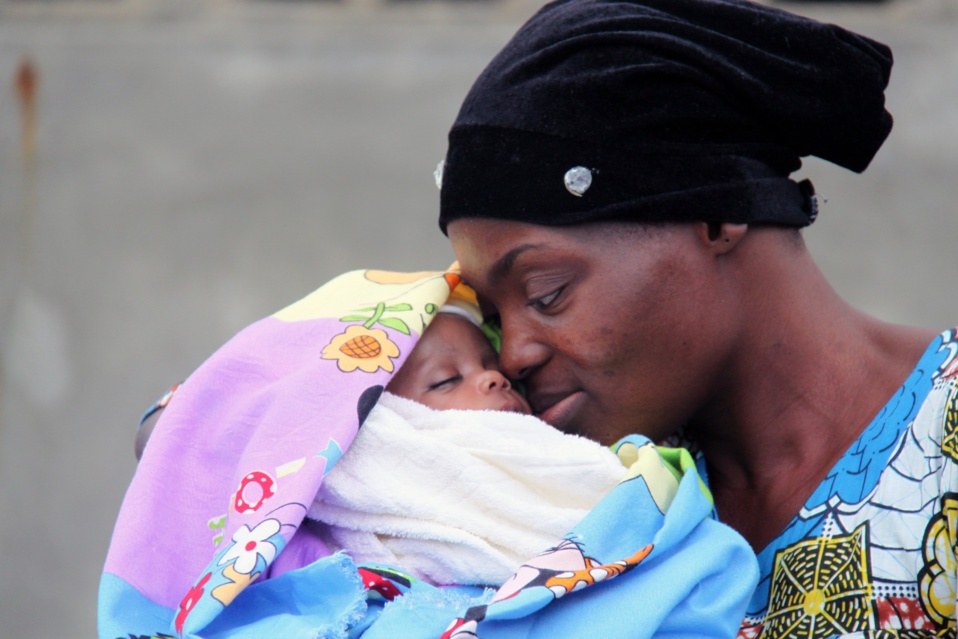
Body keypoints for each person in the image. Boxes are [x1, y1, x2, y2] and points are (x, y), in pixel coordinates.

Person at [436, 0, 957, 635]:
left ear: (715, 215)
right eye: (493, 317)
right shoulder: (578, 506)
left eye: (546, 293)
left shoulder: (943, 447)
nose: (513, 354)